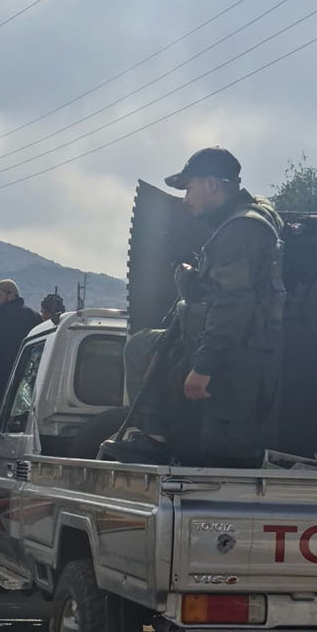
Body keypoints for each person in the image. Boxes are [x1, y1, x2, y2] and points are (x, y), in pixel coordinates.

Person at [103, 146, 285, 467]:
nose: (186, 198)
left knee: (140, 348)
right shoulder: (251, 217)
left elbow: (233, 304)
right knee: (144, 346)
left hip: (233, 356)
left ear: (212, 185)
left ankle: (155, 437)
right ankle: (155, 435)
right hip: (230, 348)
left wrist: (203, 367)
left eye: (189, 187)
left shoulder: (240, 228)